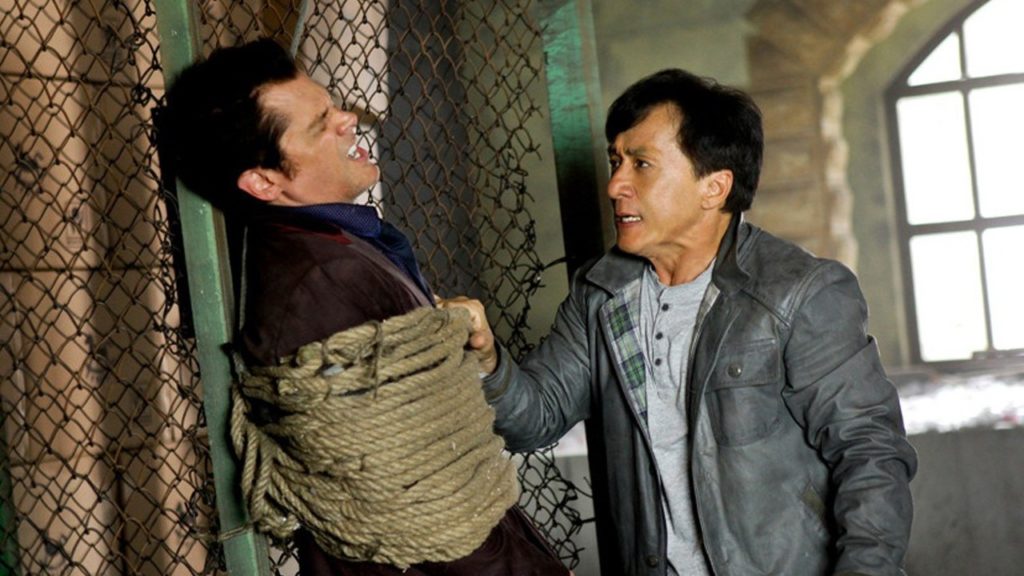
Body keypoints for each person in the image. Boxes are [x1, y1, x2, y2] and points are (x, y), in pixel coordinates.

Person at [446, 69, 918, 576]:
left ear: (714, 187)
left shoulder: (799, 293)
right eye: (615, 161)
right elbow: (533, 419)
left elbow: (869, 451)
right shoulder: (601, 292)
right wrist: (486, 360)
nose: (615, 185)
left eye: (642, 164)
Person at [160, 38, 568, 576]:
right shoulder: (321, 282)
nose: (348, 120)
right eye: (320, 125)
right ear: (263, 181)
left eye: (333, 107)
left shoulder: (335, 249)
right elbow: (420, 505)